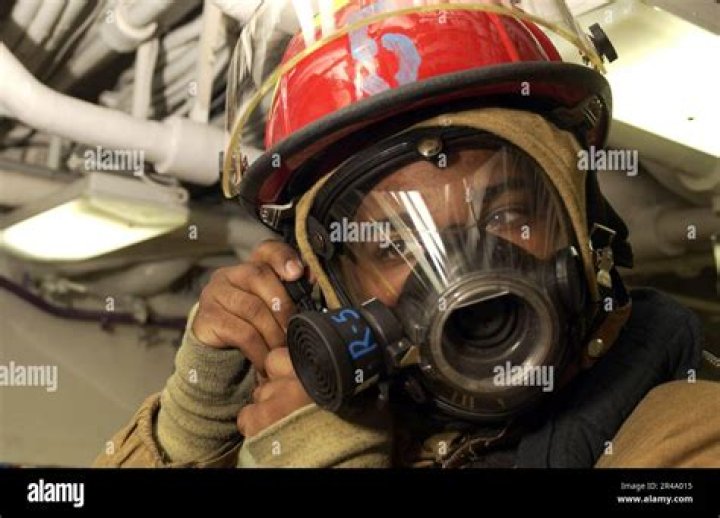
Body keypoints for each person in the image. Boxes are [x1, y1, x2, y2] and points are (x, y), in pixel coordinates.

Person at [94, 0, 718, 468]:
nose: (465, 272)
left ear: (584, 223)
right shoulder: (314, 428)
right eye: (394, 245)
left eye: (505, 216)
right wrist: (193, 424)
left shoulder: (688, 430)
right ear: (328, 290)